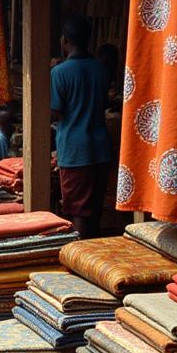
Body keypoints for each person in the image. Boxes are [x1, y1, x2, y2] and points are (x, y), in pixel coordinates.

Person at [51, 15, 112, 239]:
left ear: (64, 40)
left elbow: (56, 110)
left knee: (78, 211)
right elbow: (103, 102)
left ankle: (80, 263)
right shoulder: (100, 68)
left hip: (76, 149)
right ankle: (93, 259)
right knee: (94, 210)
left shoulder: (59, 72)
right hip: (101, 146)